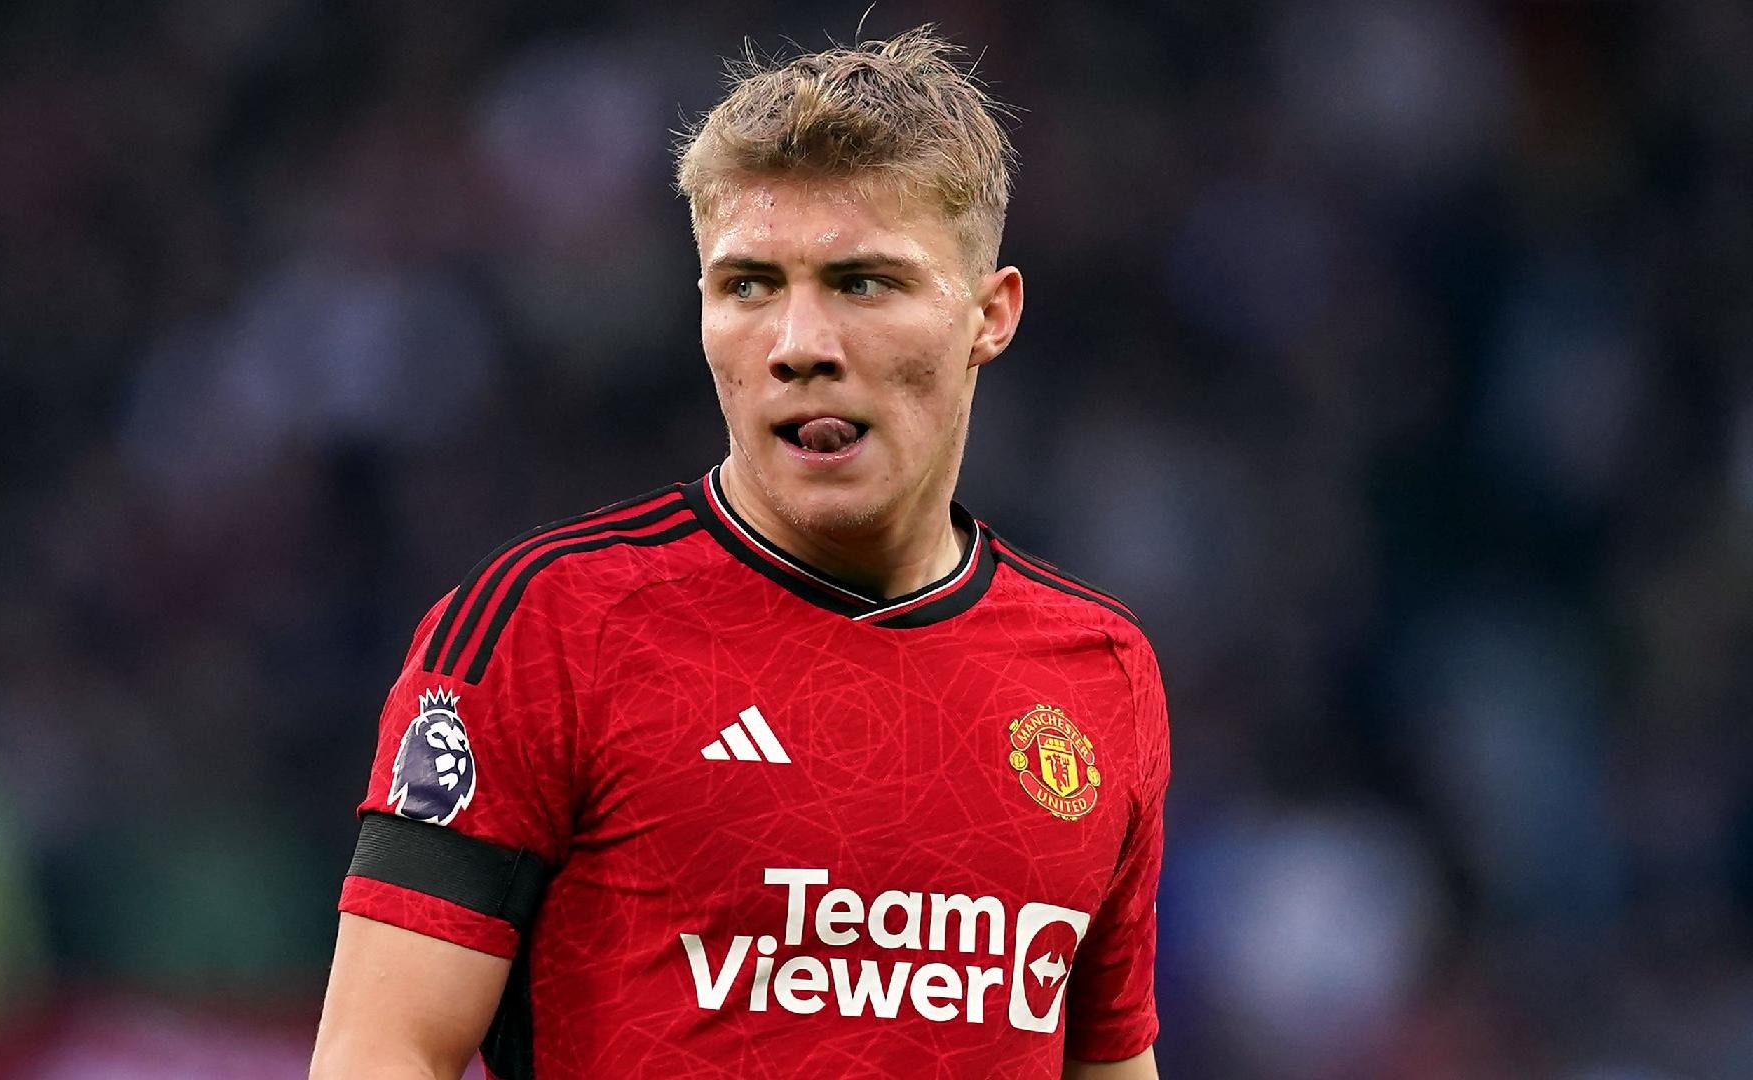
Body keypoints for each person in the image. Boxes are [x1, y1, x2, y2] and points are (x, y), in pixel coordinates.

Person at [310, 26, 1169, 1080]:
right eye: (751, 285)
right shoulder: (551, 629)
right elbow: (380, 1052)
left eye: (863, 283)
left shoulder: (1100, 672)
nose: (799, 345)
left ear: (989, 315)